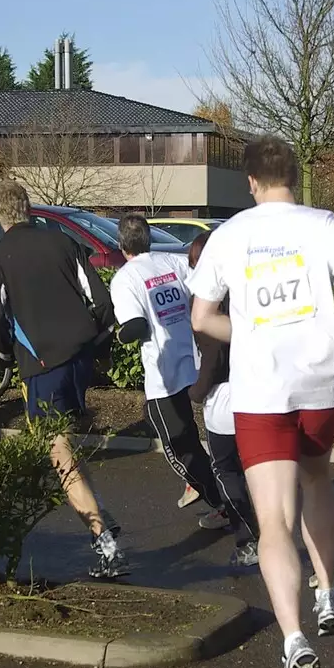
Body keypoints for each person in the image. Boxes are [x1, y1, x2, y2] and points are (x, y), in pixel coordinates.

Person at [188, 135, 334, 668]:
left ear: (250, 182)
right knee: (319, 480)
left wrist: (247, 334)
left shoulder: (228, 236)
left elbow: (202, 316)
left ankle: (293, 639)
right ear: (295, 176)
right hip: (321, 384)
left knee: (272, 519)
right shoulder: (327, 223)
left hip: (262, 391)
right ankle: (329, 594)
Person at [0, 179, 124, 579]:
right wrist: (92, 338)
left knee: (57, 451)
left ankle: (105, 542)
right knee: (66, 443)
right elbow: (102, 300)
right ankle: (100, 516)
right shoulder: (63, 242)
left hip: (41, 361)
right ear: (29, 208)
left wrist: (4, 351)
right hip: (79, 355)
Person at [110, 215, 234, 533]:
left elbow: (135, 325)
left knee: (178, 445)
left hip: (163, 374)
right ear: (149, 239)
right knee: (198, 435)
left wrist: (116, 335)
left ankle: (223, 504)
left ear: (122, 245)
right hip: (195, 361)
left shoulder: (125, 279)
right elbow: (208, 278)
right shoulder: (173, 261)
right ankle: (212, 485)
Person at [185, 232, 259, 567]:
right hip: (260, 392)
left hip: (226, 398)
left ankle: (248, 541)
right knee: (259, 470)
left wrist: (196, 392)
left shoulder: (207, 304)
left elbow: (213, 357)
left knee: (227, 469)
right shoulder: (249, 292)